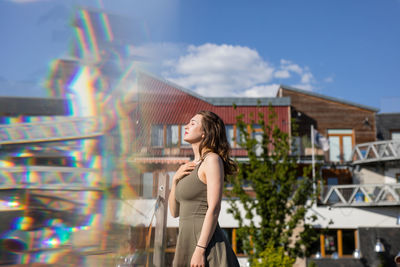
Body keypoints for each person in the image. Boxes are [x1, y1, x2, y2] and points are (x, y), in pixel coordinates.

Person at [169, 111, 240, 267]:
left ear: (205, 133)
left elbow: (214, 208)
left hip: (206, 246)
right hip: (186, 242)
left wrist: (200, 250)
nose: (186, 126)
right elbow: (174, 212)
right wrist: (174, 180)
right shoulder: (189, 167)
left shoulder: (212, 160)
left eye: (193, 123)